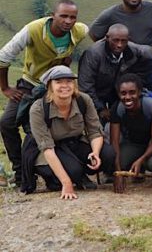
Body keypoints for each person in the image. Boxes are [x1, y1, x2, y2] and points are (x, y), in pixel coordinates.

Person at [0, 0, 88, 186]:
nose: (68, 21)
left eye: (72, 17)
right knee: (7, 123)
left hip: (57, 87)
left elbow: (72, 49)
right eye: (63, 16)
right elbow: (4, 56)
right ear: (52, 15)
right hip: (31, 84)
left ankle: (66, 169)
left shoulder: (79, 31)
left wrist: (65, 62)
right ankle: (20, 172)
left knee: (56, 125)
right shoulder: (33, 30)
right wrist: (5, 88)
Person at [26, 66, 115, 199]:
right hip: (53, 147)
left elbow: (95, 131)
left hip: (76, 141)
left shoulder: (83, 100)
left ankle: (79, 175)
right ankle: (62, 179)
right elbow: (47, 148)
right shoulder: (38, 109)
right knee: (73, 171)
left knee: (108, 154)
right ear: (50, 86)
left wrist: (95, 152)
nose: (65, 86)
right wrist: (66, 183)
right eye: (59, 82)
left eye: (69, 81)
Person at [89, 0, 152, 95]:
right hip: (125, 71)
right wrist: (111, 50)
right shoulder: (110, 14)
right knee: (131, 106)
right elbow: (94, 34)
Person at [78, 24, 152, 124]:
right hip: (96, 94)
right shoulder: (93, 54)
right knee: (98, 124)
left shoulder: (133, 51)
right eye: (115, 40)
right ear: (107, 38)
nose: (119, 45)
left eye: (124, 41)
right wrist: (100, 108)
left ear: (128, 40)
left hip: (117, 93)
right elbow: (85, 86)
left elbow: (147, 54)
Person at [110, 73, 152, 192]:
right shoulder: (117, 109)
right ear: (118, 94)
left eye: (132, 92)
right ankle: (139, 168)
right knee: (117, 160)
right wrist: (118, 174)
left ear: (139, 92)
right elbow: (114, 142)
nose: (127, 97)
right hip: (135, 143)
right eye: (123, 93)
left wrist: (141, 159)